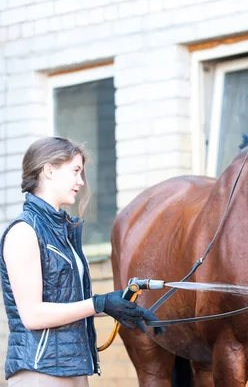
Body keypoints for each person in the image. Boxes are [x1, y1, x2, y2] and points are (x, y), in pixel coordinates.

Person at [0, 137, 158, 386]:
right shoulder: (24, 231)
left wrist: (117, 307)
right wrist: (99, 303)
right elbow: (33, 315)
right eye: (75, 171)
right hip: (40, 373)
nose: (81, 181)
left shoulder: (61, 232)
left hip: (73, 370)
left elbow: (67, 304)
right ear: (49, 170)